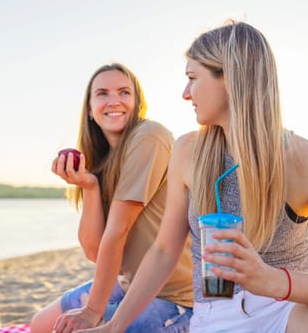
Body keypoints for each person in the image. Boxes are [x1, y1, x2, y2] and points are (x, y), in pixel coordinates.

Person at [79, 22, 308, 332]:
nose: (186, 94)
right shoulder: (188, 151)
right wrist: (115, 326)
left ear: (229, 78)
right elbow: (164, 251)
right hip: (213, 317)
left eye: (192, 78)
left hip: (289, 310)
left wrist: (271, 280)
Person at [29, 63, 193, 333]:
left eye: (124, 92)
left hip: (177, 296)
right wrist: (90, 187)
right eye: (102, 93)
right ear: (90, 110)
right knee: (42, 325)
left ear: (137, 103)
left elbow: (119, 230)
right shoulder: (103, 161)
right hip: (131, 284)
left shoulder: (149, 137)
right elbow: (94, 250)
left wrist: (92, 311)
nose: (114, 101)